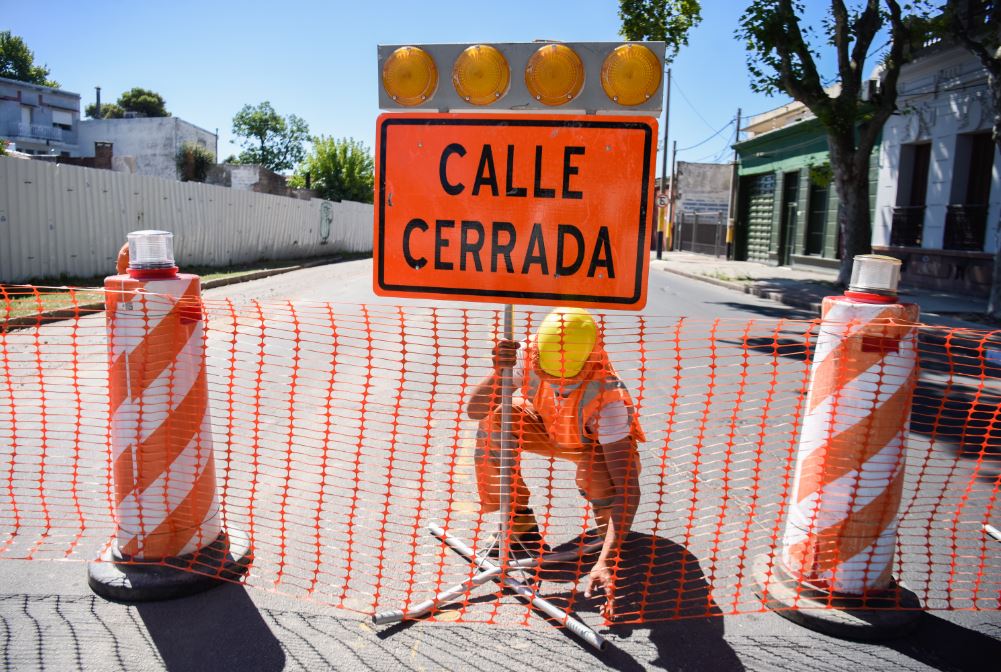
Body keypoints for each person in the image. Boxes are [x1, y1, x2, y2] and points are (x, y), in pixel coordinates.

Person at [465, 307, 644, 618]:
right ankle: (520, 523)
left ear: (588, 363)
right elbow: (475, 410)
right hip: (547, 426)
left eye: (569, 380)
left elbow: (629, 486)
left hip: (591, 445)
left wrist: (606, 560)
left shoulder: (610, 398)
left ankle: (608, 541)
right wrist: (499, 373)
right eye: (550, 377)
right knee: (493, 423)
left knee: (600, 483)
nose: (560, 386)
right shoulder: (526, 353)